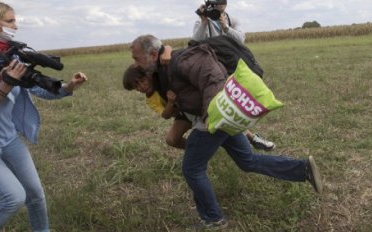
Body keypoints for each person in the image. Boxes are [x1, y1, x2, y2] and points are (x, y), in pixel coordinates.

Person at [130, 34, 322, 230]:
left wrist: (210, 116)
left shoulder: (181, 59)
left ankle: (213, 219)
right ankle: (302, 168)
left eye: (137, 58)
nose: (136, 64)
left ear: (153, 54)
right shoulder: (163, 65)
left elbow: (211, 75)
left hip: (212, 119)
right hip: (220, 118)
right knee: (248, 161)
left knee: (192, 169)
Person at [0, 1, 87, 232]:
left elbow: (36, 88)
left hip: (7, 138)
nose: (16, 26)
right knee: (13, 198)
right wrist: (5, 85)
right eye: (10, 21)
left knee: (35, 195)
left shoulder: (12, 56)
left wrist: (68, 87)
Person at [192, 0, 276, 151]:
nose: (218, 7)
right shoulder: (202, 21)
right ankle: (250, 138)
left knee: (234, 102)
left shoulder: (232, 19)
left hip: (230, 65)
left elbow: (241, 40)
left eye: (221, 4)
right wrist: (204, 21)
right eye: (215, 4)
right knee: (224, 103)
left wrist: (226, 28)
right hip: (210, 66)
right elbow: (195, 41)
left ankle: (247, 138)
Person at [123, 64, 191, 149]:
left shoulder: (161, 78)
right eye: (136, 86)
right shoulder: (150, 100)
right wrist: (170, 103)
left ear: (148, 75)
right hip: (182, 115)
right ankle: (197, 149)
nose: (142, 86)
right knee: (171, 139)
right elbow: (165, 115)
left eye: (143, 80)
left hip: (192, 106)